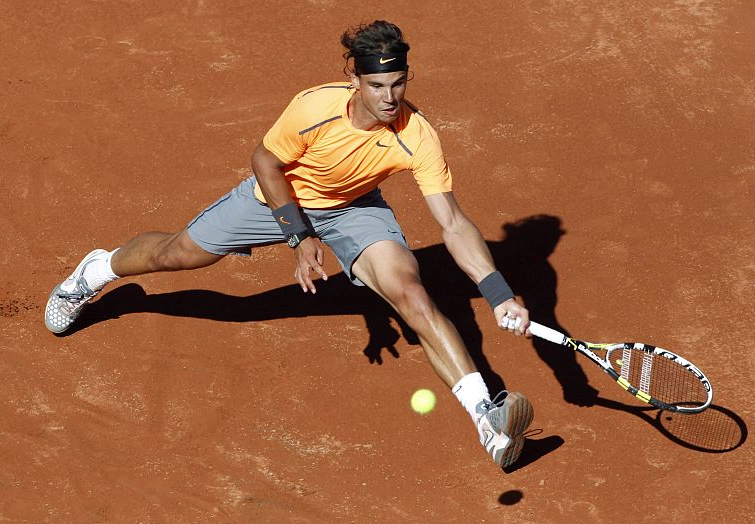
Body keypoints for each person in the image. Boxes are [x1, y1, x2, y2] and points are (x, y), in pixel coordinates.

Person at [44, 20, 534, 469]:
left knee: (413, 295)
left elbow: (451, 222)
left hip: (354, 209)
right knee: (175, 255)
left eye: (399, 84)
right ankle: (97, 271)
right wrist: (299, 236)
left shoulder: (418, 136)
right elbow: (264, 162)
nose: (390, 98)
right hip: (278, 196)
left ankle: (485, 418)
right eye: (377, 86)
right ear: (354, 80)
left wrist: (496, 291)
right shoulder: (313, 107)